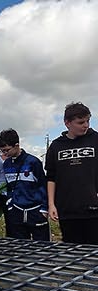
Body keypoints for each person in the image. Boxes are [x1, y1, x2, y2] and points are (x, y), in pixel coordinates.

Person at [45, 102, 98, 244]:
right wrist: (51, 204)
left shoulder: (95, 139)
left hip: (93, 210)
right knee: (72, 253)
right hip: (67, 211)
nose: (86, 125)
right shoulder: (56, 146)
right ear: (67, 123)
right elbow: (51, 177)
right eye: (81, 122)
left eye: (88, 121)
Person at [0, 129, 49, 241]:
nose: (4, 154)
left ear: (16, 145)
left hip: (36, 210)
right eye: (1, 151)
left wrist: (44, 209)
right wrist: (10, 204)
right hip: (16, 211)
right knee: (20, 246)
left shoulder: (33, 162)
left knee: (43, 248)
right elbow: (9, 187)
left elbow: (43, 185)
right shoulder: (6, 164)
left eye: (6, 150)